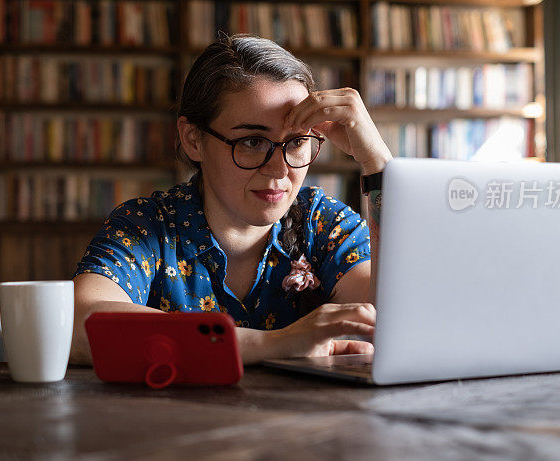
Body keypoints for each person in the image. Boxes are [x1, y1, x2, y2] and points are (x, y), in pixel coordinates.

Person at [70, 34, 392, 365]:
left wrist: (379, 167)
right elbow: (80, 325)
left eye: (297, 142)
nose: (280, 170)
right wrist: (275, 344)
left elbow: (400, 318)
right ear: (193, 139)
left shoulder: (322, 223)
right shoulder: (147, 226)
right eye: (252, 141)